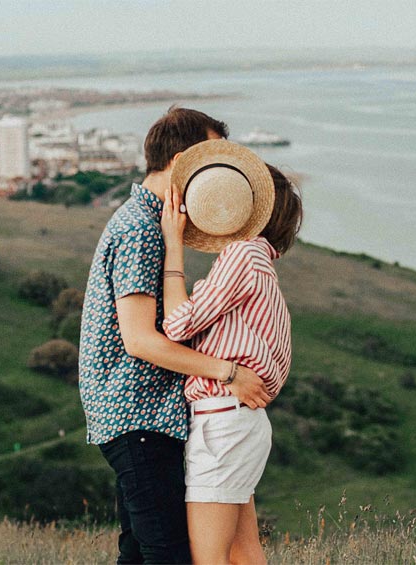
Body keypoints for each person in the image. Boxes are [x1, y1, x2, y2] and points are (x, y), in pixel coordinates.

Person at [78, 108, 271, 564]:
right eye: (210, 161)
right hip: (137, 416)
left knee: (140, 553)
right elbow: (140, 340)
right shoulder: (141, 231)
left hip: (139, 417)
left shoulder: (151, 226)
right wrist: (230, 374)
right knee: (169, 555)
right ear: (183, 161)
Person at [159, 139, 303, 565]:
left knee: (209, 558)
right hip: (239, 423)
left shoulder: (242, 255)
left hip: (223, 424)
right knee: (243, 551)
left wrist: (173, 244)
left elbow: (178, 325)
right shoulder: (262, 266)